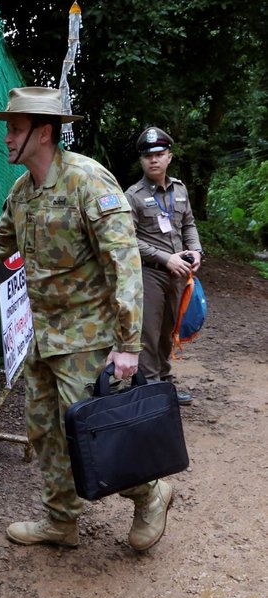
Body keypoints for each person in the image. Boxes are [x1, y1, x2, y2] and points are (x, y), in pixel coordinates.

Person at [0, 87, 173, 551]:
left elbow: (125, 265)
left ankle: (150, 494)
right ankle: (61, 520)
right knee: (44, 428)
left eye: (16, 129)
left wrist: (127, 344)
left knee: (98, 430)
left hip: (88, 336)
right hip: (43, 336)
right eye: (8, 128)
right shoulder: (22, 191)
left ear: (44, 133)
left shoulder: (89, 181)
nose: (7, 138)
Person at [125, 127, 203, 405]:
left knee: (168, 331)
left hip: (178, 274)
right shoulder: (133, 195)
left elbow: (188, 224)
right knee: (148, 333)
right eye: (147, 156)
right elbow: (128, 239)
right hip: (149, 274)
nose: (153, 160)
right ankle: (151, 393)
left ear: (169, 157)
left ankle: (165, 384)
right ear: (142, 161)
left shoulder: (180, 190)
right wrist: (164, 257)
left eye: (159, 154)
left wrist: (195, 251)